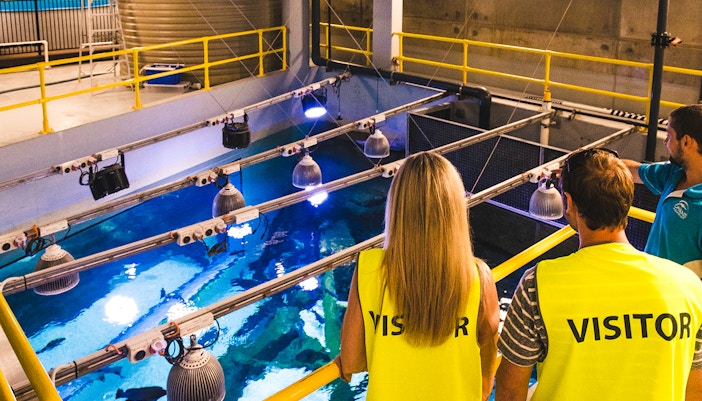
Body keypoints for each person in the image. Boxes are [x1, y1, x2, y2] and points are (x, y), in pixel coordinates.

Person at [495, 148, 702, 401]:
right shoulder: (689, 286)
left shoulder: (537, 285)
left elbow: (509, 392)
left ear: (568, 203)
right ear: (628, 200)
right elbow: (695, 390)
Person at [334, 151, 500, 401]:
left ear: (397, 207)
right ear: (454, 211)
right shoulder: (478, 276)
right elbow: (488, 352)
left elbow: (351, 363)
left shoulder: (369, 268)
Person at [623, 104, 702, 276]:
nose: (665, 142)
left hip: (679, 299)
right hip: (653, 287)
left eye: (669, 135)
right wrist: (584, 165)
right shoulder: (673, 173)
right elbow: (633, 170)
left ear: (686, 141)